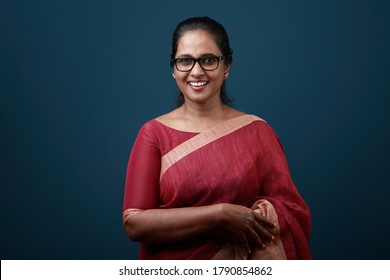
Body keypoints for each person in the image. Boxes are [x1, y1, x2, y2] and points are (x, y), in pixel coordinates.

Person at [122, 16, 312, 260]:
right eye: (185, 61)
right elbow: (134, 223)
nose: (196, 71)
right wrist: (220, 215)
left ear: (227, 67)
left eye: (209, 60)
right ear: (174, 69)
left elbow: (291, 213)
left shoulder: (257, 132)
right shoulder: (153, 134)